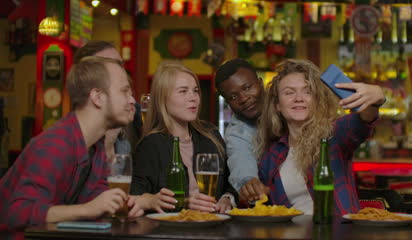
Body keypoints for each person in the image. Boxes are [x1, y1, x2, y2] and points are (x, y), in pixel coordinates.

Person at [0, 56, 143, 232]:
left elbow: (97, 199)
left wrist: (120, 206)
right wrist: (88, 209)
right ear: (97, 97)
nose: (132, 101)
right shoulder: (56, 144)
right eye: (125, 91)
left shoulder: (95, 144)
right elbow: (17, 213)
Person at [255, 59, 385, 216]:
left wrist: (376, 98)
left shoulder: (334, 134)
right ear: (277, 105)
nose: (299, 98)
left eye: (307, 91)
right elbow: (259, 201)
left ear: (317, 99)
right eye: (289, 92)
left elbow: (365, 120)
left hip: (340, 233)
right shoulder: (271, 155)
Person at [130, 62, 237, 213]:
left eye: (195, 91)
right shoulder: (150, 145)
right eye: (183, 91)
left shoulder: (210, 134)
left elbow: (234, 181)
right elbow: (136, 196)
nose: (193, 98)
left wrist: (227, 198)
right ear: (163, 98)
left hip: (214, 227)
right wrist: (184, 203)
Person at [74, 41, 143, 155]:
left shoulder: (133, 114)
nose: (121, 71)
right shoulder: (66, 143)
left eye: (121, 65)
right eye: (111, 65)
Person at [214, 58, 269, 202]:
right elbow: (240, 159)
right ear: (228, 103)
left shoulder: (286, 108)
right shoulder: (236, 133)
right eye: (233, 96)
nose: (243, 98)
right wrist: (248, 183)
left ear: (260, 83)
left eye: (247, 88)